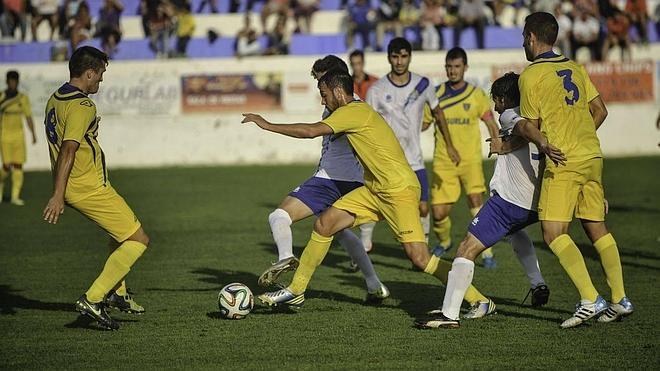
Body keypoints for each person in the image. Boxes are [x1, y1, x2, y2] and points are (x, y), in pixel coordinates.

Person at [244, 67, 495, 320]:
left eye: (324, 93)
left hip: (398, 191)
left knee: (420, 258)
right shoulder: (352, 111)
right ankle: (296, 290)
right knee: (325, 223)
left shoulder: (353, 111)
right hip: (375, 189)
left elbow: (311, 131)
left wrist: (267, 124)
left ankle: (479, 300)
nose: (323, 100)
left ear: (338, 91)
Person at [415, 72, 565, 329]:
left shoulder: (510, 114)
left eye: (496, 100)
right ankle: (537, 282)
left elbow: (522, 129)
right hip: (536, 201)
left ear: (505, 99)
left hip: (509, 201)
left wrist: (505, 144)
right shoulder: (540, 113)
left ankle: (449, 315)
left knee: (465, 249)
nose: (495, 107)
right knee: (515, 234)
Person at [518, 12, 632, 328]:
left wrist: (542, 140)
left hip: (564, 160)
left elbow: (531, 126)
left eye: (523, 37)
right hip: (592, 155)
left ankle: (589, 298)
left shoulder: (531, 76)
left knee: (553, 232)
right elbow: (600, 110)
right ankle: (620, 299)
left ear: (531, 37)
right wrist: (579, 138)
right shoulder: (575, 67)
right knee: (596, 226)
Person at [257, 55, 389, 303]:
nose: (319, 88)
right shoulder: (351, 106)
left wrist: (268, 125)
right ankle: (374, 285)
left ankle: (286, 257)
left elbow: (310, 131)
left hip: (331, 181)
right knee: (340, 233)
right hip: (352, 182)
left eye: (320, 81)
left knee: (278, 216)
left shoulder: (346, 109)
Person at [42, 46, 150, 330]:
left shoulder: (56, 98)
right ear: (89, 73)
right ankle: (93, 298)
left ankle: (119, 293)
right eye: (100, 75)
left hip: (85, 184)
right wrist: (57, 194)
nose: (100, 81)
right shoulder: (82, 105)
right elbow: (68, 149)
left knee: (120, 233)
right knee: (138, 240)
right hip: (88, 187)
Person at [360, 38, 460, 256]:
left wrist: (450, 145)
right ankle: (364, 246)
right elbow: (366, 125)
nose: (399, 61)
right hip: (385, 161)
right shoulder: (376, 90)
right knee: (373, 205)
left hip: (414, 160)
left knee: (423, 207)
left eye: (403, 56)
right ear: (389, 58)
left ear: (410, 57)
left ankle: (421, 247)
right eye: (395, 56)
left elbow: (438, 113)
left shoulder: (423, 84)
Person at [422, 47, 501, 268]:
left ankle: (487, 254)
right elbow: (423, 124)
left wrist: (498, 142)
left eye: (457, 66)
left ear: (465, 68)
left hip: (470, 160)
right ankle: (445, 241)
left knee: (476, 201)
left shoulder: (476, 95)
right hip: (443, 161)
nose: (452, 71)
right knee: (439, 213)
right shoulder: (435, 94)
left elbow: (490, 121)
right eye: (449, 67)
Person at [0, 70, 36, 205]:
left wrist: (33, 133)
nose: (13, 83)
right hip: (4, 136)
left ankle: (15, 197)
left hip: (19, 136)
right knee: (6, 166)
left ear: (18, 82)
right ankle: (1, 182)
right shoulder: (2, 96)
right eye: (11, 81)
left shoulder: (22, 98)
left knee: (18, 165)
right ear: (7, 82)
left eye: (15, 81)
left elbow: (28, 116)